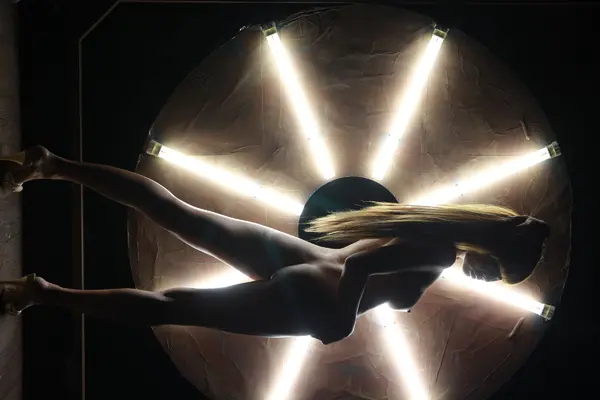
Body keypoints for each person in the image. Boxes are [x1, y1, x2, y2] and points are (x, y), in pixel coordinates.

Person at [0, 146, 549, 345]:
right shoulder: (440, 253)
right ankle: (39, 294)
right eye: (498, 270)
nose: (488, 279)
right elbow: (360, 272)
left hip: (306, 260)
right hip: (316, 298)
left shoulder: (430, 226)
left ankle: (49, 165)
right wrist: (342, 324)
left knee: (177, 213)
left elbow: (361, 262)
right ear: (493, 245)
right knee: (171, 308)